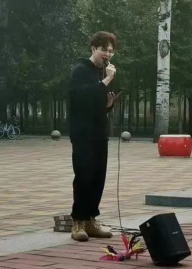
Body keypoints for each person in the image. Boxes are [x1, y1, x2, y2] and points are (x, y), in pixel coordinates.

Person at [68, 31, 118, 242]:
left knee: (98, 176)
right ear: (93, 49)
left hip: (99, 132)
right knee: (84, 175)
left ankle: (91, 220)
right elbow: (82, 98)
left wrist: (108, 105)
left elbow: (97, 103)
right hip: (82, 133)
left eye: (111, 51)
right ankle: (78, 221)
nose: (107, 54)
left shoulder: (102, 73)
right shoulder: (80, 70)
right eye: (104, 50)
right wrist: (106, 80)